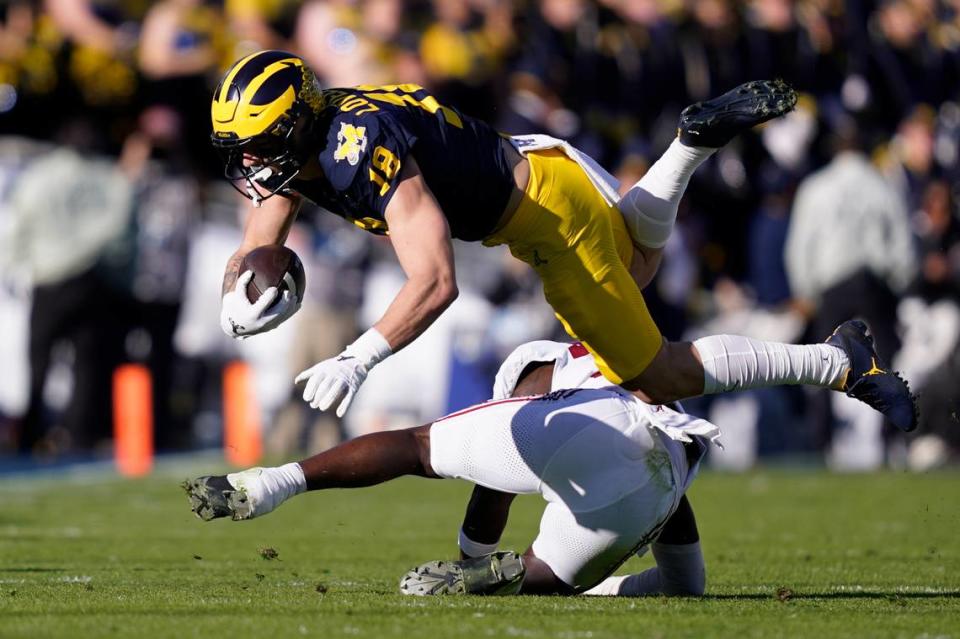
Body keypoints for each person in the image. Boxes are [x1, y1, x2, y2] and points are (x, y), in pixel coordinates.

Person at [210, 49, 917, 432]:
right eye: (239, 150)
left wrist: (360, 357)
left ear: (299, 125)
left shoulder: (354, 150)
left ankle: (837, 361)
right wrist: (237, 291)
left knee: (656, 374)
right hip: (544, 161)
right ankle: (687, 147)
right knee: (638, 267)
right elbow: (263, 230)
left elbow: (433, 280)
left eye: (257, 146)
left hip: (547, 215)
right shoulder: (307, 141)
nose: (249, 164)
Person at [185, 338, 719, 596]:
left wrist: (467, 554)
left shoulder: (551, 378)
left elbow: (494, 490)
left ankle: (276, 480)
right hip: (668, 480)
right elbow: (687, 584)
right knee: (551, 577)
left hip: (596, 427)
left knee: (420, 447)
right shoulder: (643, 375)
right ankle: (508, 577)